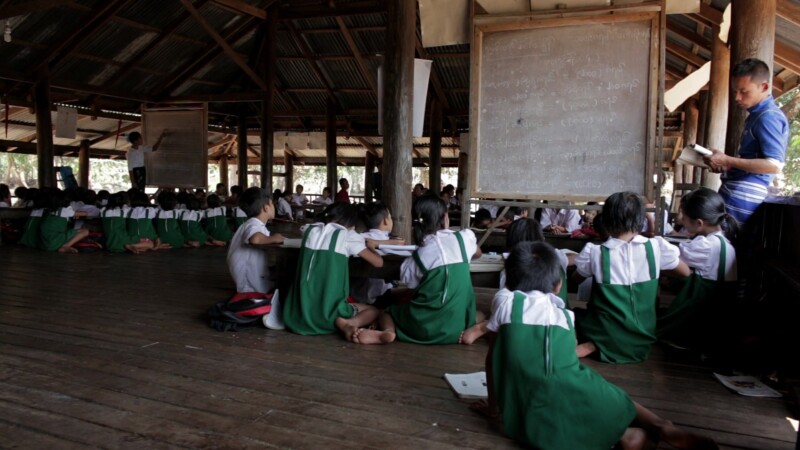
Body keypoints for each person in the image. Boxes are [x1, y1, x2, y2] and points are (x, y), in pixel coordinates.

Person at [472, 241, 718, 450]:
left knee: (559, 411)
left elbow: (493, 359)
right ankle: (659, 425)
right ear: (557, 286)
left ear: (508, 281)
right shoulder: (565, 316)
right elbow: (564, 358)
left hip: (530, 410)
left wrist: (494, 409)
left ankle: (628, 436)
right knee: (610, 396)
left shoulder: (505, 301)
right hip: (571, 383)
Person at [352, 194, 486, 345]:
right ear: (445, 218)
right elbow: (478, 253)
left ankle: (388, 331)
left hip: (420, 328)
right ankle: (475, 329)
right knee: (479, 313)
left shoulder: (416, 258)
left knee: (387, 312)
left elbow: (412, 289)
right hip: (456, 329)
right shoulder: (464, 238)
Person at [574, 192, 689, 363]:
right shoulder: (656, 247)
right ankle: (604, 343)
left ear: (607, 221)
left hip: (606, 332)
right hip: (644, 336)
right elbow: (685, 272)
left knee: (576, 314)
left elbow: (576, 280)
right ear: (640, 219)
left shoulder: (595, 252)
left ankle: (597, 343)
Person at [704, 58, 789, 226]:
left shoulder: (768, 117)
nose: (737, 97)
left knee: (728, 245)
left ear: (764, 87)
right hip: (741, 188)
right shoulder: (758, 115)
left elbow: (774, 165)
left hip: (746, 192)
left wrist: (729, 160)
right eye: (735, 91)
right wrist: (728, 164)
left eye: (744, 91)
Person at [282, 202, 384, 339]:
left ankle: (345, 324)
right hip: (329, 315)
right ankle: (347, 323)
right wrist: (371, 245)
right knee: (373, 310)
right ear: (351, 224)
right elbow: (378, 262)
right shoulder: (348, 236)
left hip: (297, 316)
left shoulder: (309, 230)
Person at [658, 188, 738, 349]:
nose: (680, 220)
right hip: (723, 306)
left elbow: (673, 258)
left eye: (684, 217)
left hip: (704, 307)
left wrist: (658, 242)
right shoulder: (722, 241)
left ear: (699, 223)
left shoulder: (705, 245)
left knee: (659, 328)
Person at [500, 218, 572, 307]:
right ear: (542, 237)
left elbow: (504, 302)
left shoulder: (511, 267)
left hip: (522, 317)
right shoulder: (555, 255)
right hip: (562, 314)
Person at [227, 187, 285, 296]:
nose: (274, 207)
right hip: (249, 286)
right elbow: (255, 239)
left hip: (252, 277)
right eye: (272, 204)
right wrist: (274, 238)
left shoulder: (253, 223)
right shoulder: (253, 224)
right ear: (266, 208)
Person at [350, 202, 405, 304]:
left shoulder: (357, 237)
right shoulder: (393, 244)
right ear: (385, 221)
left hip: (355, 292)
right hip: (379, 294)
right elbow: (401, 243)